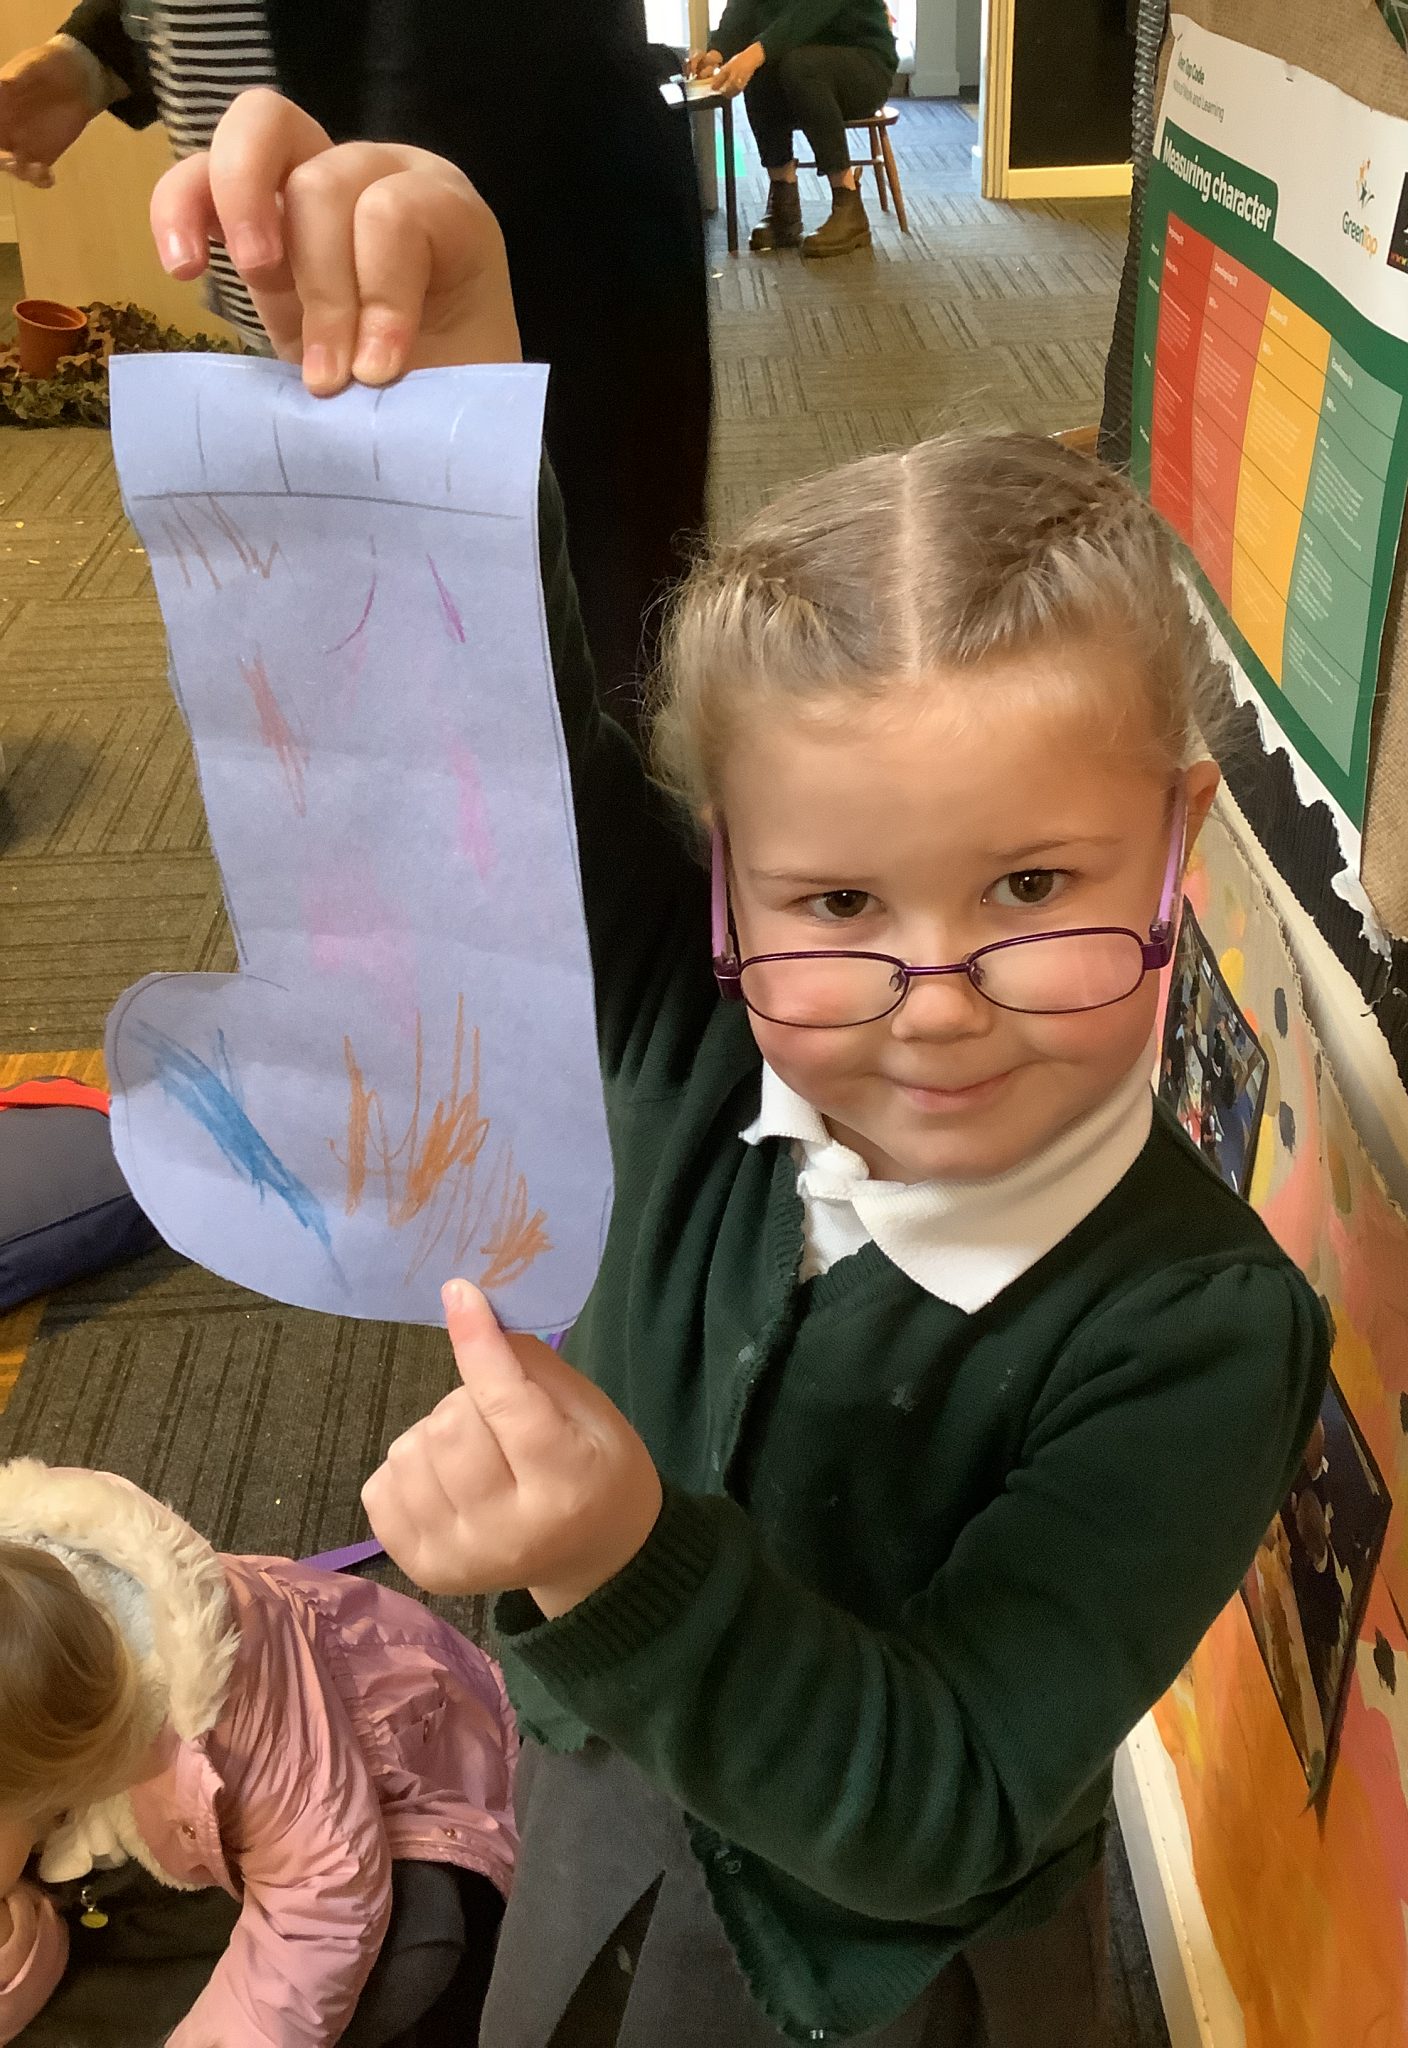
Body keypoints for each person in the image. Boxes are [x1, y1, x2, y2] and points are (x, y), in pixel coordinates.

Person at [153, 94, 1329, 2046]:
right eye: (837, 900)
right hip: (601, 1785)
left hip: (881, 1974)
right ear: (727, 889)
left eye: (1033, 883)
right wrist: (444, 358)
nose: (931, 999)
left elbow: (948, 1798)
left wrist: (617, 1554)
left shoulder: (1197, 1327)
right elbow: (478, 730)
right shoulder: (683, 1011)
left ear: (1176, 838)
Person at [0, 0, 711, 724]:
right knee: (365, 669)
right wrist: (96, 55)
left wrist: (399, 188)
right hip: (302, 297)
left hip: (514, 250)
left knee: (579, 655)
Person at [0, 1460, 518, 2046]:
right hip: (211, 1820)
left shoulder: (238, 1713)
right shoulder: (36, 1721)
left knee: (414, 1947)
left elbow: (324, 1901)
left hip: (404, 1790)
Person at [689, 0, 898, 258]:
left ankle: (848, 204)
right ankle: (783, 205)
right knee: (765, 67)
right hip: (799, 57)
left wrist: (754, 54)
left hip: (864, 62)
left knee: (797, 64)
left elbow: (811, 11)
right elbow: (743, 7)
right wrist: (716, 54)